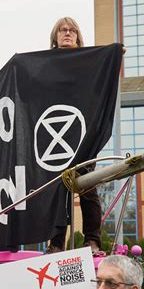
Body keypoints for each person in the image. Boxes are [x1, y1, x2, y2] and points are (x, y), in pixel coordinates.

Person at [45, 17, 101, 253]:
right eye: (62, 30)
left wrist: (117, 54)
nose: (67, 33)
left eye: (72, 30)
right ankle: (56, 244)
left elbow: (105, 72)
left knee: (88, 186)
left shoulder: (90, 62)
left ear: (78, 36)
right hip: (56, 136)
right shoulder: (45, 64)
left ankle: (92, 240)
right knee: (58, 190)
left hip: (83, 135)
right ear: (55, 37)